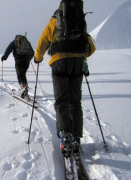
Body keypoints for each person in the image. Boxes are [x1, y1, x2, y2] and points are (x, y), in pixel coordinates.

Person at [33, 1, 96, 157]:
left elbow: (42, 43)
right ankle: (76, 136)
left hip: (59, 62)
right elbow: (91, 48)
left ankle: (65, 134)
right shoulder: (80, 21)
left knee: (62, 101)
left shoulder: (54, 23)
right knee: (75, 101)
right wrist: (80, 55)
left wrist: (38, 58)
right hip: (77, 63)